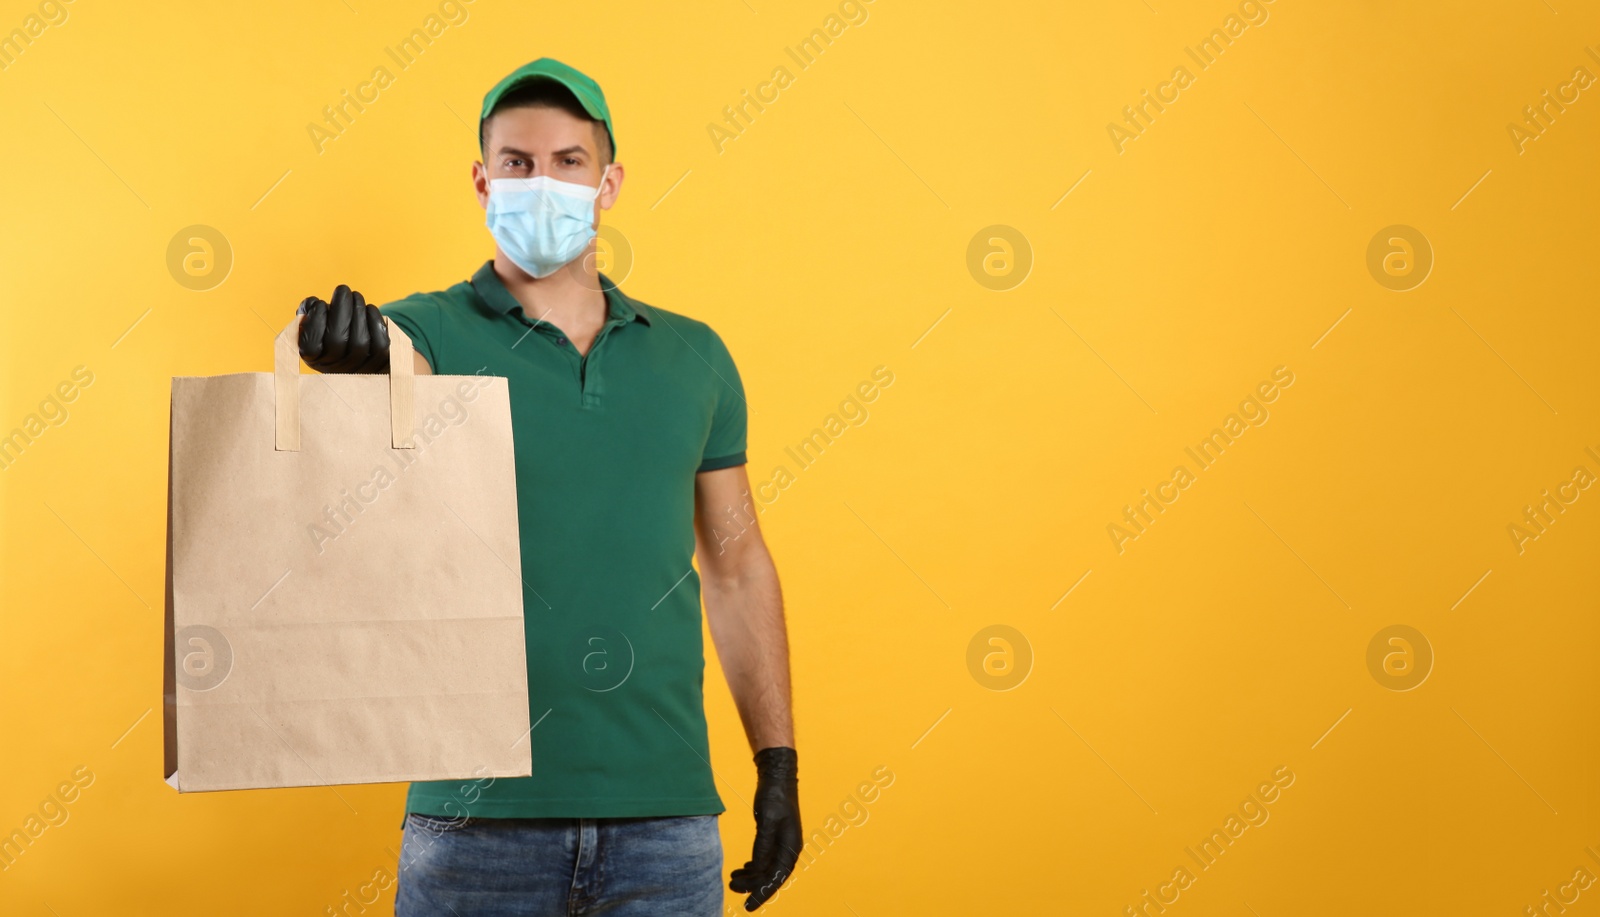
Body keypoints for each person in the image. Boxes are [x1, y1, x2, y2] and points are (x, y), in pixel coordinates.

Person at [295, 58, 801, 916]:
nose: (543, 182)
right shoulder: (433, 328)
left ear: (608, 184)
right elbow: (392, 363)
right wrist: (348, 359)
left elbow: (737, 565)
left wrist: (777, 762)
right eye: (519, 163)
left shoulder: (694, 357)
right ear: (483, 180)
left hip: (666, 822)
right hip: (473, 827)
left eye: (569, 162)